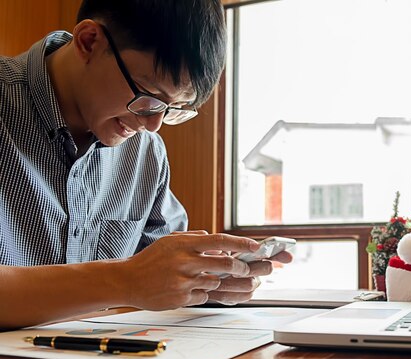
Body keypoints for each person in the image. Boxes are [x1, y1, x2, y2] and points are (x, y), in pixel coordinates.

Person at [0, 0, 291, 330]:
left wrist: (208, 280)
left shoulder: (145, 153)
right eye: (150, 98)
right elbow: (133, 279)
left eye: (174, 109)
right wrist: (124, 280)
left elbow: (160, 272)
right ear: (88, 42)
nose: (154, 125)